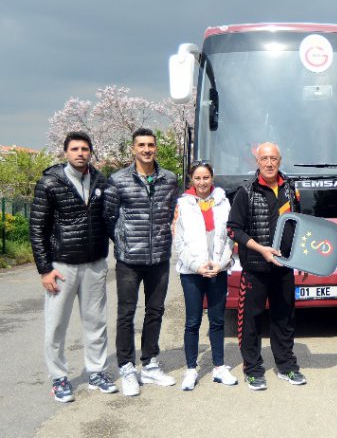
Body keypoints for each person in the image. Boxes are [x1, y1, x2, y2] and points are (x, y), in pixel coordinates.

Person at [30, 131, 117, 402]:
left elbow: (109, 219)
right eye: (75, 149)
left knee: (96, 322)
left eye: (85, 149)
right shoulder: (49, 183)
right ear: (66, 152)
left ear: (90, 152)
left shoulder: (101, 180)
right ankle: (59, 378)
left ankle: (97, 372)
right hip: (62, 266)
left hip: (94, 264)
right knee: (56, 325)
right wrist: (45, 269)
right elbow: (37, 228)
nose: (80, 153)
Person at [104, 128, 179, 396]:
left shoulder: (169, 179)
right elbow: (108, 217)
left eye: (150, 145)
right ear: (133, 149)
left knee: (155, 311)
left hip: (159, 257)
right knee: (126, 314)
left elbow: (172, 211)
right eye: (141, 145)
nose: (147, 149)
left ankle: (149, 364)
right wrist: (123, 241)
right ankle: (126, 367)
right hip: (129, 260)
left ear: (155, 148)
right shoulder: (118, 180)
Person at [226, 142, 306, 390]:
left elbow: (299, 224)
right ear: (257, 162)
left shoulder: (290, 189)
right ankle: (252, 369)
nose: (269, 163)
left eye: (273, 159)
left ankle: (286, 366)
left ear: (280, 161)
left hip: (285, 267)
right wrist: (261, 249)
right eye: (264, 159)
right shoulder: (246, 191)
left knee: (284, 319)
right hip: (255, 269)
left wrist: (302, 258)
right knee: (251, 322)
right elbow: (233, 229)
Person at [173, 161, 237, 390]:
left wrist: (221, 264)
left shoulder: (223, 202)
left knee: (217, 321)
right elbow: (179, 242)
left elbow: (230, 237)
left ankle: (219, 367)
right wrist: (197, 266)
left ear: (212, 178)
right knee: (193, 322)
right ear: (191, 180)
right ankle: (191, 369)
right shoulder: (183, 204)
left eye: (206, 178)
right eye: (197, 178)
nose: (202, 182)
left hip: (218, 269)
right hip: (192, 272)